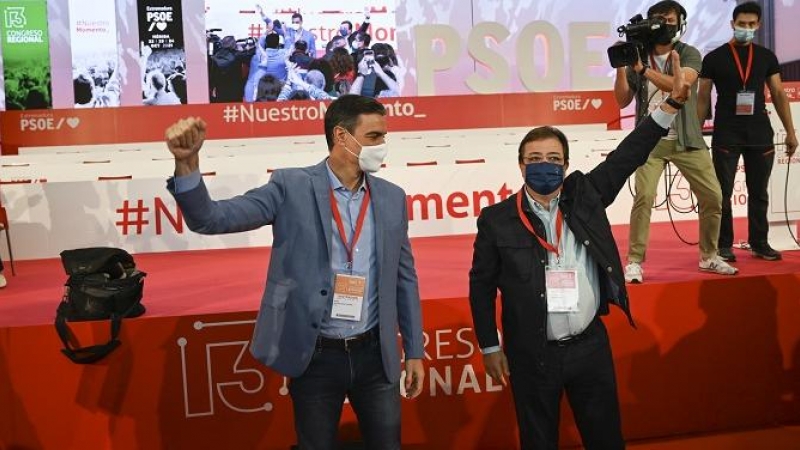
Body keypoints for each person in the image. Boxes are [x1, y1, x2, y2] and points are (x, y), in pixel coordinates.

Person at [164, 94, 425, 449]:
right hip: (315, 355)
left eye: (384, 137)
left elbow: (404, 279)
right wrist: (187, 165)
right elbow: (210, 219)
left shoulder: (393, 197)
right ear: (342, 137)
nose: (383, 146)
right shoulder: (290, 186)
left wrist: (414, 350)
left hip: (375, 356)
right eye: (374, 137)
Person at [469, 50, 689, 450]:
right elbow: (481, 286)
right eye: (534, 159)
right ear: (520, 166)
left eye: (553, 158)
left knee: (605, 439)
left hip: (589, 346)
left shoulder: (585, 194)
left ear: (567, 164)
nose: (544, 165)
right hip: (531, 351)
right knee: (538, 442)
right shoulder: (497, 218)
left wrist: (671, 104)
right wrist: (489, 345)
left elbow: (630, 154)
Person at [613, 0, 736, 283]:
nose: (661, 24)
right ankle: (634, 261)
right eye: (656, 18)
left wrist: (644, 70)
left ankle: (709, 256)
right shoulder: (639, 55)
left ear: (680, 23)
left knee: (713, 197)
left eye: (668, 19)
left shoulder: (688, 53)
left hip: (687, 138)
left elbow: (682, 86)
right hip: (649, 141)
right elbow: (622, 101)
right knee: (643, 198)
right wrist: (622, 63)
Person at [697, 1, 798, 262]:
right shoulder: (713, 57)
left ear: (759, 25)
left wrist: (790, 131)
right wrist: (695, 134)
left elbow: (777, 94)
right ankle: (724, 244)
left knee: (759, 192)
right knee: (723, 193)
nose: (746, 28)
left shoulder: (766, 56)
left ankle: (759, 242)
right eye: (742, 24)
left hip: (760, 134)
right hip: (726, 134)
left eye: (752, 24)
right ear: (732, 24)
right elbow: (702, 98)